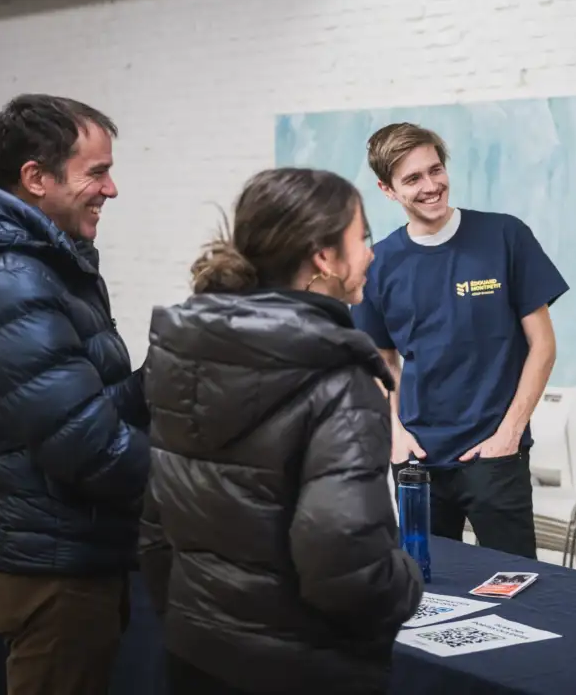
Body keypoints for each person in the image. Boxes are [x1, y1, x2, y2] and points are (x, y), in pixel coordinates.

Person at [137, 168, 423, 695]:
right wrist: (408, 583)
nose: (371, 254)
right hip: (302, 669)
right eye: (361, 238)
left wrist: (191, 619)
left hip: (196, 653)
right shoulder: (340, 377)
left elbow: (158, 527)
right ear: (323, 257)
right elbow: (341, 558)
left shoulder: (186, 355)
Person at [0, 94, 151, 695]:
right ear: (36, 179)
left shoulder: (41, 263)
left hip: (68, 551)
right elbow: (89, 449)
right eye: (97, 172)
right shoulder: (13, 279)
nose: (112, 189)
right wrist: (205, 480)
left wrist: (163, 378)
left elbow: (81, 406)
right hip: (53, 566)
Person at [351, 122, 568, 560]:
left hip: (495, 455)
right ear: (387, 189)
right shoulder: (380, 264)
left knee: (516, 586)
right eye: (412, 178)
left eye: (435, 170)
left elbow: (542, 346)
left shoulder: (505, 237)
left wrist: (508, 435)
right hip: (417, 458)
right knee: (427, 589)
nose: (431, 186)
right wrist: (393, 434)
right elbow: (381, 362)